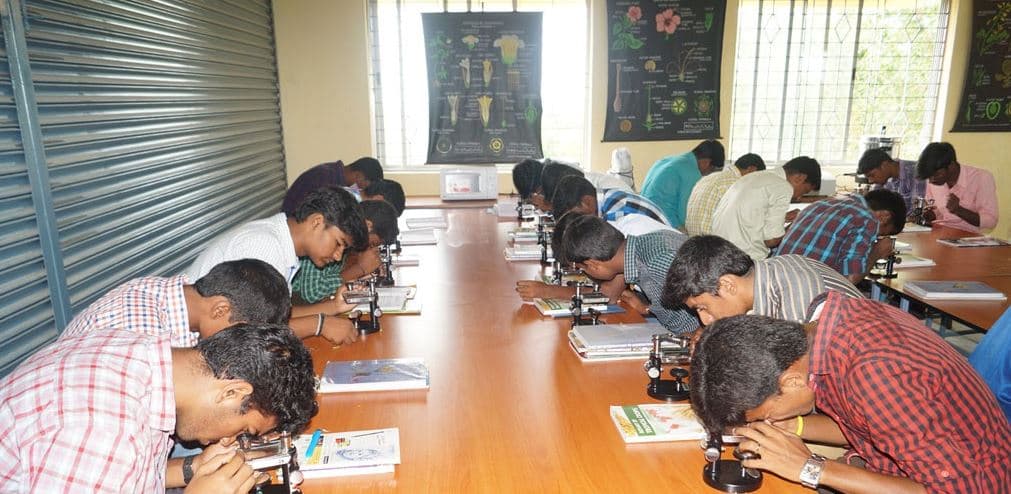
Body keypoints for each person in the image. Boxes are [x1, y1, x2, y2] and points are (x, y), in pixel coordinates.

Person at [689, 293, 1011, 492]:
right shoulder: (822, 334)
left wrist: (810, 467)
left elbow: (952, 490)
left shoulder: (877, 374)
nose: (771, 420)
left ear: (790, 382)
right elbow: (871, 425)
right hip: (897, 466)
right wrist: (794, 426)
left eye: (769, 413)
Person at [0, 323, 319, 493]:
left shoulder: (143, 358)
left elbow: (128, 476)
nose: (228, 440)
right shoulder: (104, 430)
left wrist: (192, 468)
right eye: (243, 430)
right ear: (232, 392)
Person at [184, 186, 368, 344]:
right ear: (317, 222)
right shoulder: (265, 246)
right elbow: (251, 330)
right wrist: (320, 324)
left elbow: (273, 315)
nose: (338, 256)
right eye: (338, 243)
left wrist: (334, 307)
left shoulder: (281, 244)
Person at [63, 259, 290, 348]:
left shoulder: (176, 300)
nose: (236, 343)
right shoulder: (145, 332)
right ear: (220, 309)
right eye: (239, 333)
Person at [663, 235, 862, 326]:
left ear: (727, 285)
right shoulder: (761, 281)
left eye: (702, 308)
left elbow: (795, 380)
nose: (705, 321)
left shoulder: (796, 298)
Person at [560, 215, 698, 334]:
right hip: (680, 331)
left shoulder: (655, 261)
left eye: (583, 269)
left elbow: (711, 298)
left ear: (593, 265)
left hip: (697, 337)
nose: (586, 273)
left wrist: (698, 334)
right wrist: (648, 309)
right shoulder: (642, 248)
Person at [775, 189, 907, 284]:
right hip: (800, 291)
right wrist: (877, 252)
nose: (875, 238)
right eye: (881, 233)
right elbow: (850, 279)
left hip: (772, 280)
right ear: (884, 217)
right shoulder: (867, 218)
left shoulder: (821, 203)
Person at [291, 200, 399, 306]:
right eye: (373, 244)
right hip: (297, 303)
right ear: (367, 226)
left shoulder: (342, 242)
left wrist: (364, 271)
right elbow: (312, 293)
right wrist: (360, 269)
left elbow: (331, 276)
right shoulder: (324, 240)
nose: (370, 249)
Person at [711, 156, 821, 260]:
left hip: (719, 250)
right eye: (805, 191)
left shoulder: (756, 176)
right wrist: (797, 223)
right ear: (800, 178)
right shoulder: (783, 186)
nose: (799, 197)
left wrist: (783, 218)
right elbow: (771, 240)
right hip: (745, 258)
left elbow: (750, 215)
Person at [640, 140, 726, 229]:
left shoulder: (666, 160)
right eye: (712, 172)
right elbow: (685, 217)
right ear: (706, 163)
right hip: (660, 226)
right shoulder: (691, 172)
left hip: (641, 218)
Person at [917, 142, 998, 233]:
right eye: (929, 176)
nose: (931, 180)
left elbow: (991, 221)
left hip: (967, 238)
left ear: (951, 166)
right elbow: (940, 212)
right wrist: (932, 214)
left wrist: (958, 210)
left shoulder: (982, 178)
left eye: (936, 175)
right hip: (939, 234)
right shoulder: (934, 181)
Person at [550, 175, 671, 231]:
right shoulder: (610, 198)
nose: (576, 224)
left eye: (577, 218)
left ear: (587, 201)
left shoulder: (617, 213)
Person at [684, 153, 765, 236]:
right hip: (714, 242)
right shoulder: (737, 184)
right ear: (751, 169)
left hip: (693, 241)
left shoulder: (708, 177)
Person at [856, 148, 925, 213]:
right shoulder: (884, 179)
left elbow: (917, 211)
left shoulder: (916, 173)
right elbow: (874, 204)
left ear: (884, 165)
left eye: (872, 175)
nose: (870, 181)